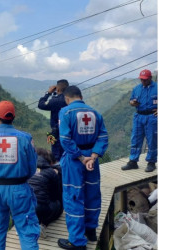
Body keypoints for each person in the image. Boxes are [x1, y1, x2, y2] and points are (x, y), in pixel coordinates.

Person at [0, 100, 40, 250]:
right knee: (27, 231)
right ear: (13, 117)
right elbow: (32, 167)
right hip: (20, 190)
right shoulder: (25, 138)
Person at [58, 86, 108, 249]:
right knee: (92, 193)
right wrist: (93, 157)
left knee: (73, 197)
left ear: (67, 98)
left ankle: (77, 241)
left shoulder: (65, 112)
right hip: (92, 159)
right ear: (80, 96)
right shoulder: (95, 113)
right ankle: (91, 230)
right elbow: (103, 137)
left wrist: (80, 157)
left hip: (75, 159)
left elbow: (65, 139)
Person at [121, 69, 158, 172]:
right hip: (138, 116)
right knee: (135, 139)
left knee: (152, 140)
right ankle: (133, 161)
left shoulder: (158, 87)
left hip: (152, 116)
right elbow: (131, 101)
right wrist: (132, 103)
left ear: (150, 78)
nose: (143, 81)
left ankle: (151, 162)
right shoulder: (136, 88)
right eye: (141, 79)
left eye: (145, 80)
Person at [28, 148, 63, 238]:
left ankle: (24, 225)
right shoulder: (51, 172)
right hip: (41, 208)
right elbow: (57, 194)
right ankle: (43, 225)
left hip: (23, 206)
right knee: (58, 205)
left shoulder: (26, 169)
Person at [38, 79, 69, 160]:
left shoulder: (55, 100)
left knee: (57, 157)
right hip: (69, 132)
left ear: (57, 89)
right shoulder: (70, 100)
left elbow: (41, 104)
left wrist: (48, 93)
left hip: (56, 133)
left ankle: (59, 172)